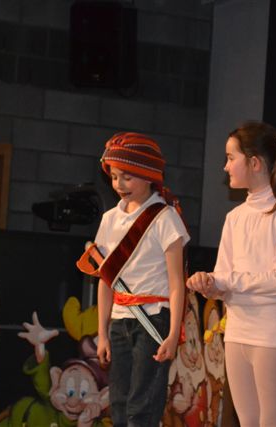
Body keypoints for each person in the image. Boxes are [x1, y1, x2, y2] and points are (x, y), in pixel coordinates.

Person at [186, 122, 276, 427]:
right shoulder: (235, 217)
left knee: (274, 420)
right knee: (247, 420)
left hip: (274, 333)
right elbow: (224, 277)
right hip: (238, 330)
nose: (225, 167)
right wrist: (210, 284)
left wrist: (225, 281)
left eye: (231, 158)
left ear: (255, 163)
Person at [91, 132, 190, 426]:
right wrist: (102, 332)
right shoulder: (110, 219)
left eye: (127, 177)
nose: (119, 185)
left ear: (149, 175)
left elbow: (176, 283)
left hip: (154, 320)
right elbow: (105, 280)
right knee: (119, 404)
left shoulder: (165, 217)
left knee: (142, 406)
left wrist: (173, 333)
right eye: (114, 177)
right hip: (119, 320)